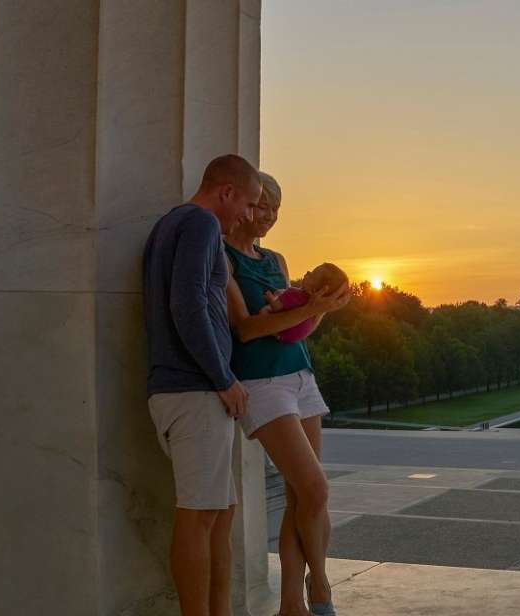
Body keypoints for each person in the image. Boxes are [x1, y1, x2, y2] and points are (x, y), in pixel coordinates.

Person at [223, 171, 349, 616]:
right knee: (315, 488)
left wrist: (325, 308)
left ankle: (292, 605)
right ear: (240, 203)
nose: (268, 216)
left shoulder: (275, 260)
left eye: (276, 209)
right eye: (261, 206)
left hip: (300, 375)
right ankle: (322, 585)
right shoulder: (222, 257)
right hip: (261, 383)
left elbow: (297, 327)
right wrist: (314, 306)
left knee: (302, 497)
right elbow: (248, 328)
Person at [143, 154, 260, 616]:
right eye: (248, 204)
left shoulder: (171, 225)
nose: (247, 217)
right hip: (193, 390)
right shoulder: (202, 224)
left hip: (183, 390)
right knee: (200, 515)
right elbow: (188, 304)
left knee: (220, 512)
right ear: (225, 192)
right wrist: (223, 377)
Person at [265, 262, 351, 343]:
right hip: (293, 338)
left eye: (312, 275)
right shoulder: (316, 311)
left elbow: (276, 307)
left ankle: (274, 333)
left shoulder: (294, 293)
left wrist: (269, 297)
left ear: (313, 290)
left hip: (282, 333)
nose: (307, 272)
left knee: (265, 310)